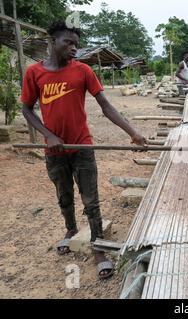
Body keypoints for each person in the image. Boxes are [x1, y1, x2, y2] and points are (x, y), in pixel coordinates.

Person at [21, 21, 149, 280]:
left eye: (76, 44)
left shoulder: (83, 71)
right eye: (68, 42)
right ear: (52, 42)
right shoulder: (35, 73)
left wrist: (132, 132)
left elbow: (106, 106)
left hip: (82, 146)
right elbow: (26, 108)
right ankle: (70, 230)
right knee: (64, 196)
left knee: (91, 200)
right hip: (54, 150)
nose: (73, 48)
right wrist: (49, 135)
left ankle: (98, 245)